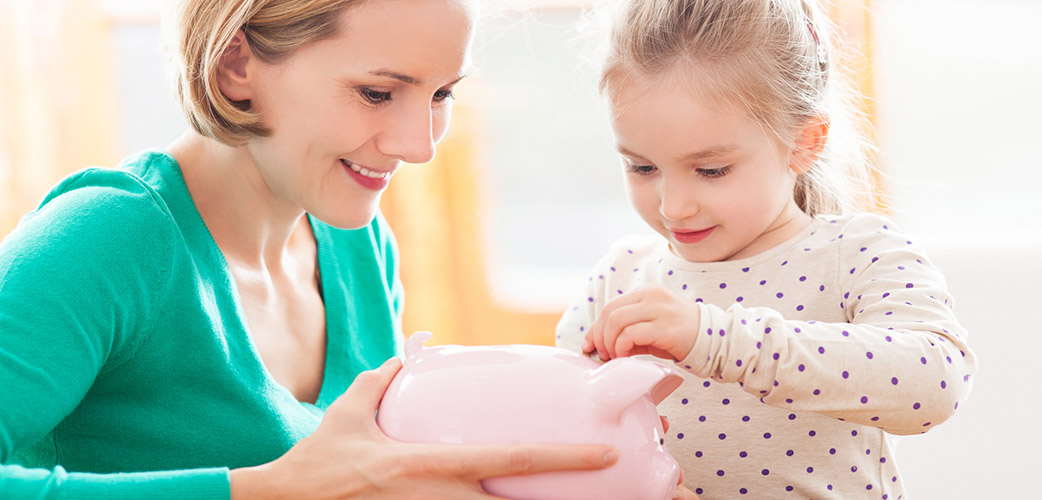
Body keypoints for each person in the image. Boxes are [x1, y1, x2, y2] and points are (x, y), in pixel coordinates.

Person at [0, 1, 624, 498]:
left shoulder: (357, 241)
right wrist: (266, 491)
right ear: (235, 66)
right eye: (377, 94)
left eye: (440, 95)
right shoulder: (106, 238)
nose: (420, 146)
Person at [555, 1, 978, 497]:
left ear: (804, 142)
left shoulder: (856, 254)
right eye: (642, 167)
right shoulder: (622, 274)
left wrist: (715, 341)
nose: (673, 207)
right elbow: (566, 429)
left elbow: (935, 385)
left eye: (711, 170)